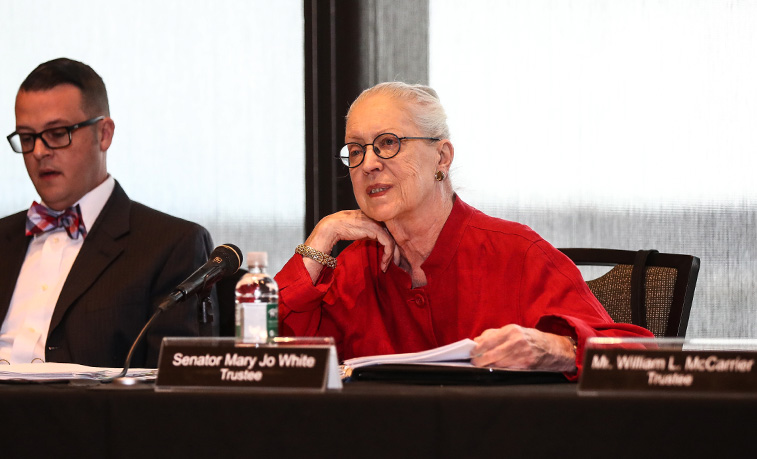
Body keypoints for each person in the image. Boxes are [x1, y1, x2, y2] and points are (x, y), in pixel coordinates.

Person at [275, 81, 654, 377]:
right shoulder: (354, 267)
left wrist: (559, 350)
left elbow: (636, 360)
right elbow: (275, 363)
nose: (368, 163)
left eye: (387, 143)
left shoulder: (517, 253)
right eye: (355, 150)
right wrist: (320, 239)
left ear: (441, 157)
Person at [0, 58, 216, 368]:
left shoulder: (172, 245)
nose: (38, 152)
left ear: (104, 134)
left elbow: (178, 389)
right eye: (27, 137)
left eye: (58, 133)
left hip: (88, 414)